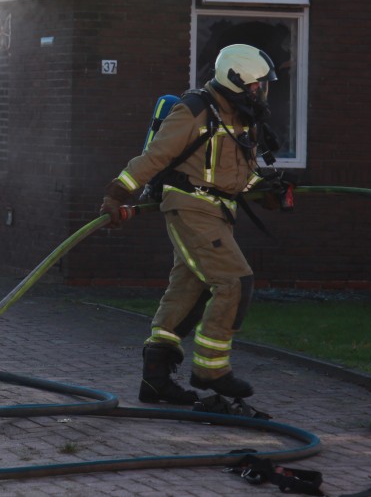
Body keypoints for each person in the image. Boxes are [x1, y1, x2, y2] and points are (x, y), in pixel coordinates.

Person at [102, 44, 279, 404]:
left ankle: (155, 380)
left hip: (218, 212)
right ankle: (210, 369)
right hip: (190, 207)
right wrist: (118, 195)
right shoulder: (195, 110)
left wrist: (267, 189)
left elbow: (234, 174)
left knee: (188, 291)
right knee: (234, 281)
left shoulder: (243, 116)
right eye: (257, 85)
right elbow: (156, 157)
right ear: (237, 80)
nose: (262, 91)